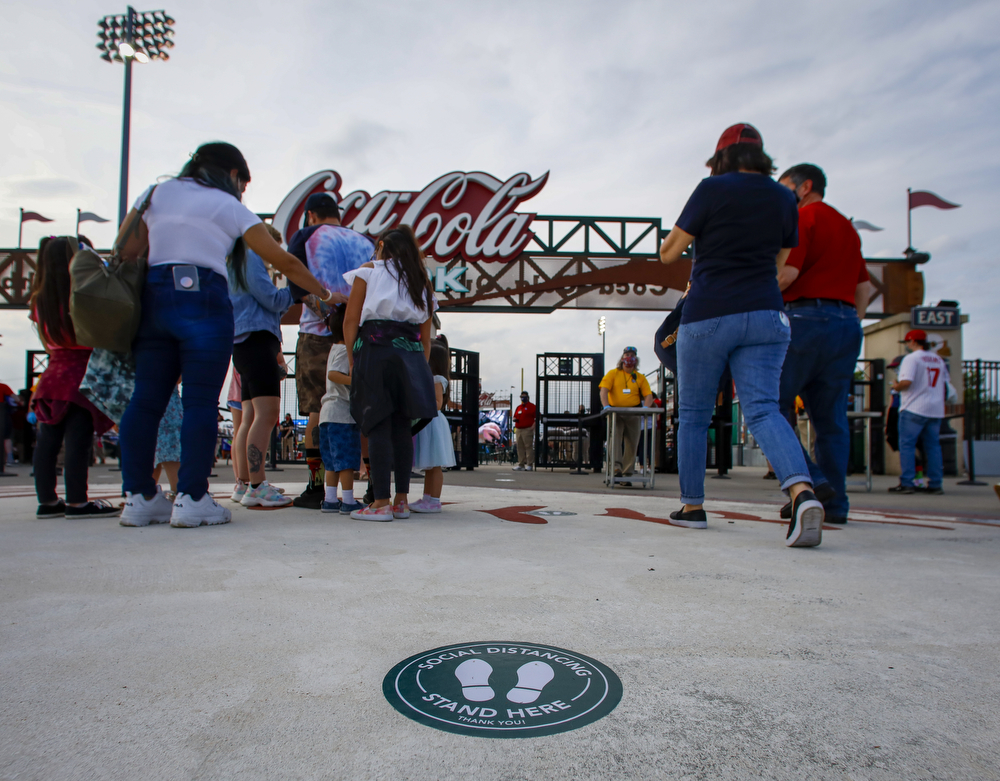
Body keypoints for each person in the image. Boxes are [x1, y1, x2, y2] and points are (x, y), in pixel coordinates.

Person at [115, 142, 332, 528]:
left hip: (155, 295)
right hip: (205, 298)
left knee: (146, 399)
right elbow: (284, 261)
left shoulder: (155, 193)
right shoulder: (230, 207)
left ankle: (138, 497)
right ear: (234, 175)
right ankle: (192, 498)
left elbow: (125, 249)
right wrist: (325, 293)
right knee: (200, 402)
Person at [659, 122, 825, 547]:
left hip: (710, 312)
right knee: (765, 410)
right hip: (768, 314)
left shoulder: (711, 190)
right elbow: (780, 263)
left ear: (721, 159)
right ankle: (801, 491)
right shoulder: (786, 198)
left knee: (694, 415)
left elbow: (669, 253)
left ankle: (693, 507)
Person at [775, 163, 870, 524]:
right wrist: (850, 319)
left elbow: (788, 275)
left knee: (769, 405)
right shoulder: (847, 227)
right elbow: (864, 286)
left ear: (804, 187)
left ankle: (810, 480)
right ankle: (836, 505)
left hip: (804, 319)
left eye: (784, 187)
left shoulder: (803, 218)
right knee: (831, 421)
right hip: (846, 323)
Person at [342, 225, 437, 522]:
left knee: (378, 423)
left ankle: (380, 501)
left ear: (381, 245)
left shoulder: (369, 270)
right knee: (401, 426)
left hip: (375, 348)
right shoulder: (421, 279)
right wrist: (418, 366)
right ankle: (401, 501)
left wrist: (352, 357)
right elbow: (426, 333)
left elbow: (350, 320)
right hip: (410, 354)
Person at [286, 192, 374, 509]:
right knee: (365, 410)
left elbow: (298, 284)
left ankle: (319, 486)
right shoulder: (365, 242)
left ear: (311, 215)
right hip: (363, 334)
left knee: (318, 409)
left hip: (318, 334)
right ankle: (372, 485)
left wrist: (324, 313)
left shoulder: (307, 236)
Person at [27, 236, 119, 518]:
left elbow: (46, 340)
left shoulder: (39, 300)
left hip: (52, 374)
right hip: (81, 372)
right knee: (78, 440)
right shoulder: (79, 294)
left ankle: (47, 501)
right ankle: (78, 501)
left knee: (48, 441)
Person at [229, 222, 294, 508]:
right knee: (267, 415)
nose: (274, 257)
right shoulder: (252, 257)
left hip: (243, 342)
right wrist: (297, 290)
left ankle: (246, 482)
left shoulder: (236, 261)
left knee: (249, 416)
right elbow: (271, 299)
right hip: (257, 341)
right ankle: (257, 485)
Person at [889, 329, 949, 495]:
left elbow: (907, 382)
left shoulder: (912, 358)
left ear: (913, 342)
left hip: (914, 407)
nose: (907, 346)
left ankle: (907, 482)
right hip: (935, 408)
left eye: (908, 342)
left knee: (907, 445)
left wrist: (896, 386)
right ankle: (936, 483)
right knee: (933, 446)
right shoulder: (938, 359)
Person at [317, 304, 363, 514]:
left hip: (327, 414)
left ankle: (329, 500)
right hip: (341, 414)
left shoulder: (334, 349)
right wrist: (356, 380)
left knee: (331, 462)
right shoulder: (346, 351)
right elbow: (334, 374)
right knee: (346, 461)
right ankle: (348, 501)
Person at [412, 336, 458, 513]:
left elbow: (437, 402)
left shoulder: (437, 378)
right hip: (429, 421)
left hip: (432, 422)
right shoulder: (432, 377)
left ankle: (434, 500)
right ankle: (427, 498)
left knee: (435, 464)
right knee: (430, 464)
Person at [599, 346, 653, 481]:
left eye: (632, 355)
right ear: (622, 358)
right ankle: (616, 467)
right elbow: (604, 390)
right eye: (627, 355)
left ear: (636, 360)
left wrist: (645, 408)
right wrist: (606, 406)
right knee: (615, 438)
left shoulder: (639, 377)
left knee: (632, 441)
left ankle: (627, 471)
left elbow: (648, 395)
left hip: (633, 412)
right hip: (615, 411)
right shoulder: (613, 374)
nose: (629, 357)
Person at [512, 391, 537, 471]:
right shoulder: (519, 407)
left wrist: (533, 425)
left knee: (528, 447)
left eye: (524, 396)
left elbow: (537, 416)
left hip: (527, 429)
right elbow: (514, 416)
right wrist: (514, 419)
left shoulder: (532, 406)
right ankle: (521, 464)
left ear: (528, 397)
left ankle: (529, 464)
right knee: (520, 447)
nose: (523, 398)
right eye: (522, 396)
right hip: (519, 429)